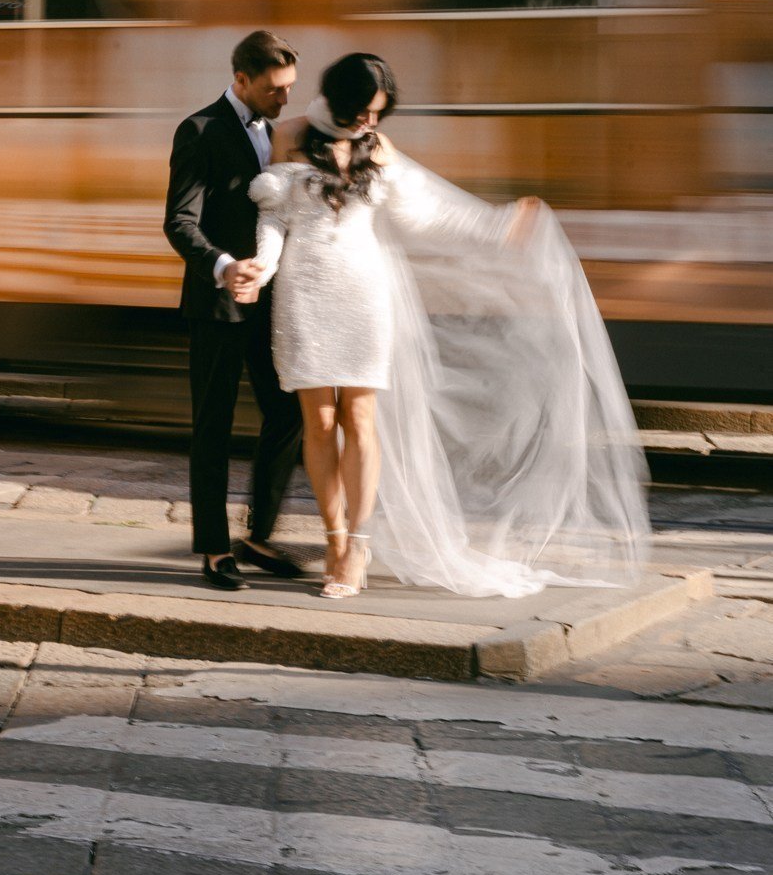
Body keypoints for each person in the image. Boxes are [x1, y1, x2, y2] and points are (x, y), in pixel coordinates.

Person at [245, 52, 649, 600]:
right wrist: (260, 271)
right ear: (338, 98)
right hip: (305, 294)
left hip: (365, 294)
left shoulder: (378, 149)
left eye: (378, 113)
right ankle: (334, 539)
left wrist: (497, 225)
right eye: (363, 111)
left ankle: (358, 545)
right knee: (318, 424)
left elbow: (424, 214)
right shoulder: (287, 135)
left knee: (360, 418)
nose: (370, 122)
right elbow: (272, 217)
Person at [163, 31, 305, 590]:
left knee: (289, 412)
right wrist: (224, 266)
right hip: (217, 303)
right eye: (275, 89)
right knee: (213, 427)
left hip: (273, 305)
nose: (285, 99)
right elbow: (179, 221)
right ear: (242, 80)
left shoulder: (280, 134)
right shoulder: (198, 130)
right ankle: (215, 548)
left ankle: (258, 535)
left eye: (290, 88)